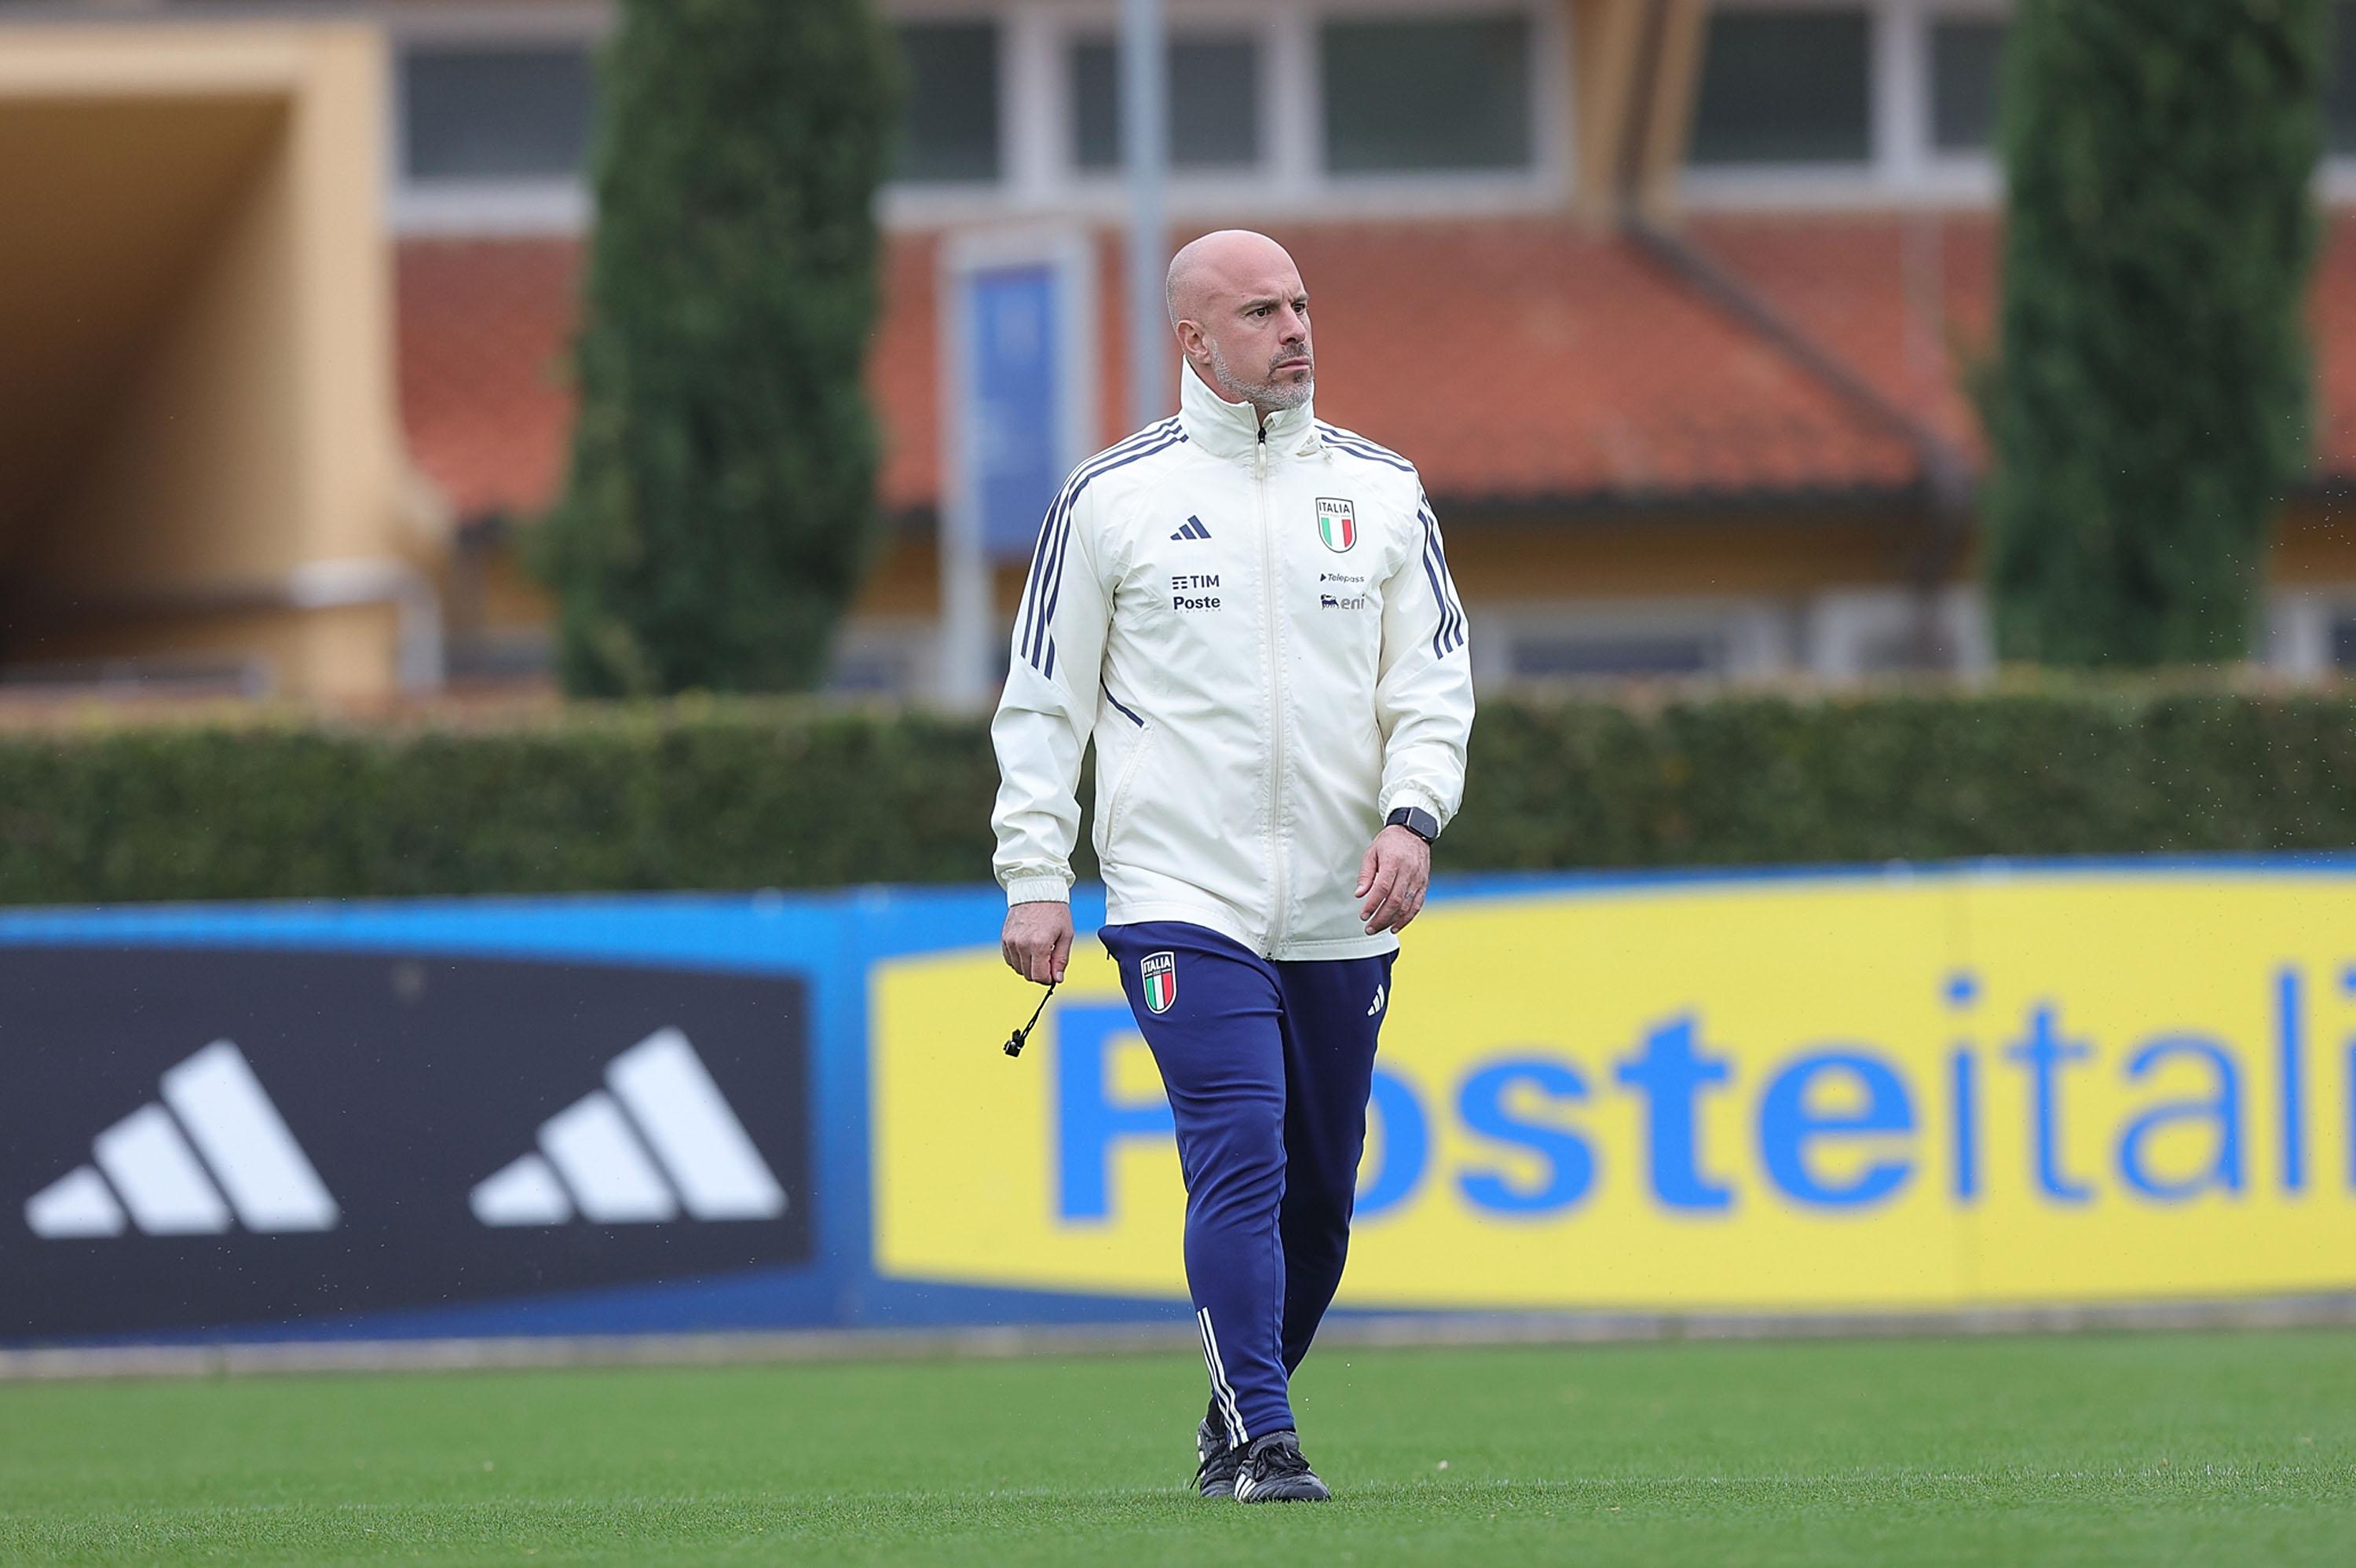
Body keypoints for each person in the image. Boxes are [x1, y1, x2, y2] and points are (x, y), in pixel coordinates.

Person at [990, 229, 1473, 1502]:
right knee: (1241, 1147)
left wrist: (1412, 818)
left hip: (1340, 903)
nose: (1297, 328)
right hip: (1175, 900)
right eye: (1262, 311)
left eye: (1304, 302)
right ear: (1194, 340)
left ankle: (1228, 1410)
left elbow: (1432, 686)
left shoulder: (1382, 490)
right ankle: (1265, 1438)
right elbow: (1044, 703)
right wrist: (1034, 870)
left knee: (1318, 1205)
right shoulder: (1111, 498)